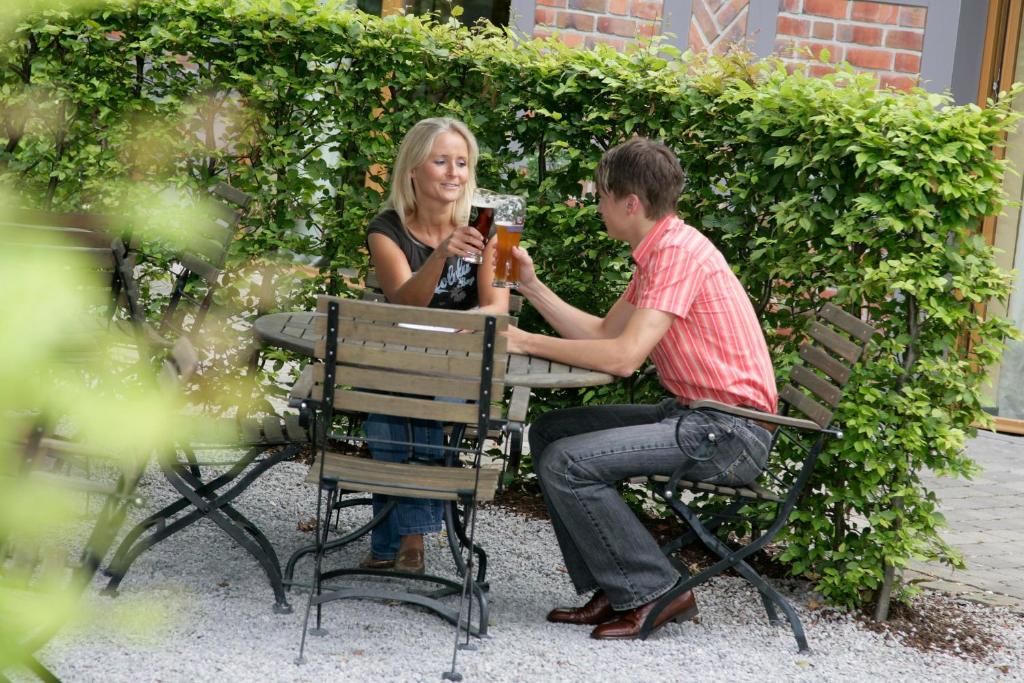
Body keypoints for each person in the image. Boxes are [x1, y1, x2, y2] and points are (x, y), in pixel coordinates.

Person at [504, 137, 777, 639]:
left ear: (630, 203)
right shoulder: (660, 252)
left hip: (729, 434)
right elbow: (603, 334)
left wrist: (521, 339)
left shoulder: (676, 255)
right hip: (697, 416)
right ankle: (616, 586)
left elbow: (623, 359)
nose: (597, 206)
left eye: (602, 196)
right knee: (550, 432)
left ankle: (655, 590)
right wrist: (531, 286)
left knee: (567, 462)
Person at [361, 117, 508, 574]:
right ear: (413, 170)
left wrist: (460, 328)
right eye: (441, 161)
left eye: (461, 163)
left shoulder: (490, 228)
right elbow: (406, 302)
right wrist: (442, 254)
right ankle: (410, 537)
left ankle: (397, 541)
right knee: (391, 405)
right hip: (402, 363)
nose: (453, 173)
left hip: (460, 367)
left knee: (396, 407)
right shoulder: (386, 230)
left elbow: (498, 308)